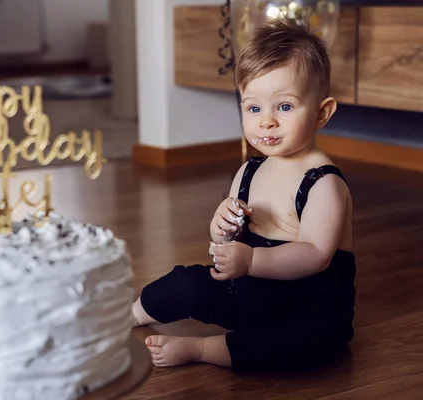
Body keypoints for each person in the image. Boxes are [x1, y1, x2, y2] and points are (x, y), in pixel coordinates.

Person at [132, 18, 356, 371]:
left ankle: (204, 349)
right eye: (254, 108)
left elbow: (316, 255)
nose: (266, 121)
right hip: (250, 293)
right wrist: (223, 228)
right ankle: (131, 315)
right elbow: (228, 237)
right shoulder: (250, 171)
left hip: (306, 307)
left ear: (321, 113)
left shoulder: (324, 183)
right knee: (187, 282)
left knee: (299, 343)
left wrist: (251, 262)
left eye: (283, 106)